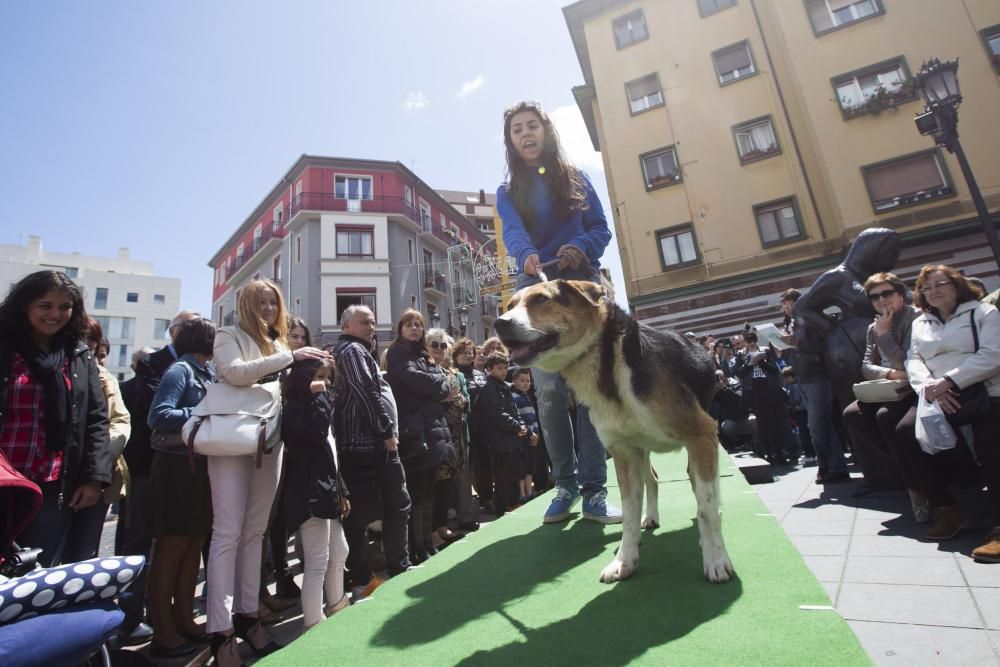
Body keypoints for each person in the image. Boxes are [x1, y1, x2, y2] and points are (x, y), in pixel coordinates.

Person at [497, 100, 621, 525]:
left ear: (546, 131)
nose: (526, 134)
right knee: (549, 392)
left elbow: (601, 229)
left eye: (533, 126)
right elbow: (513, 233)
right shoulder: (507, 192)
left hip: (581, 289)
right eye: (517, 129)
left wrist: (581, 248)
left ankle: (595, 491)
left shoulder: (579, 180)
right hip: (532, 288)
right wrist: (528, 255)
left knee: (590, 392)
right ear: (511, 140)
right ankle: (564, 486)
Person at [207, 279, 329, 666]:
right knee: (227, 531)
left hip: (268, 441)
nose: (267, 309)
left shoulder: (279, 345)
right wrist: (288, 358)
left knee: (255, 531)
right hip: (229, 440)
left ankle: (248, 616)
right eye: (259, 302)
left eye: (272, 303)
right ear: (245, 304)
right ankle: (220, 631)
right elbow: (234, 372)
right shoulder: (228, 334)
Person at [0, 270, 112, 567]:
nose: (55, 314)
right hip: (5, 478)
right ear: (25, 305)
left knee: (35, 572)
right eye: (45, 305)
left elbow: (96, 419)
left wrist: (93, 478)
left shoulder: (78, 354)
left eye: (65, 307)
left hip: (52, 483)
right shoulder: (4, 347)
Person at [895, 265, 1000, 561]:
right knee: (907, 431)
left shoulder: (982, 313)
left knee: (991, 440)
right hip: (936, 396)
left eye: (940, 283)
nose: (934, 291)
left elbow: (993, 354)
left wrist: (949, 382)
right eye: (927, 288)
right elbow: (913, 358)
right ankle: (952, 505)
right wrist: (928, 386)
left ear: (957, 285)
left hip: (982, 390)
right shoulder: (921, 322)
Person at [792, 229, 903, 487]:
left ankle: (898, 466)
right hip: (845, 354)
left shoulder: (872, 280)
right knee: (859, 410)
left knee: (886, 407)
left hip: (877, 351)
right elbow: (803, 306)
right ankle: (876, 470)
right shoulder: (838, 276)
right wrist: (828, 328)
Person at [115, 312, 197, 645]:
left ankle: (171, 613)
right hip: (148, 468)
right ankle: (130, 617)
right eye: (187, 327)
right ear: (174, 332)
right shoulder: (155, 364)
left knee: (182, 544)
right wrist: (206, 410)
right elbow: (157, 412)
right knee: (139, 542)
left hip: (189, 468)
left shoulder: (206, 365)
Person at [146, 318, 217, 658]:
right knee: (172, 547)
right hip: (176, 467)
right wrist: (203, 410)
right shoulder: (180, 371)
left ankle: (185, 620)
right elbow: (159, 416)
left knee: (193, 546)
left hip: (201, 467)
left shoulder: (208, 372)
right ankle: (163, 631)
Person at [333, 304, 410, 599]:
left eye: (373, 322)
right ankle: (365, 580)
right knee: (366, 514)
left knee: (380, 509)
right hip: (364, 446)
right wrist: (386, 430)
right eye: (364, 322)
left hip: (366, 445)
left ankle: (384, 571)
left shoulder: (359, 351)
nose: (371, 327)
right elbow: (367, 391)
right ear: (346, 327)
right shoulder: (352, 351)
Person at [842, 273, 923, 517]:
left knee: (886, 417)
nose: (881, 300)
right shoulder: (872, 327)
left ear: (900, 294)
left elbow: (908, 361)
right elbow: (866, 366)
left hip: (916, 389)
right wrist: (892, 374)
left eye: (887, 293)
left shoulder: (915, 318)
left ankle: (916, 487)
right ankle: (905, 465)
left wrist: (886, 334)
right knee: (852, 413)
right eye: (875, 296)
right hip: (891, 386)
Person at [280, 357, 351, 630]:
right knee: (317, 561)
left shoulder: (318, 406)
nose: (325, 381)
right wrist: (321, 398)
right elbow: (317, 435)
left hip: (327, 492)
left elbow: (330, 456)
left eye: (328, 376)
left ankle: (337, 605)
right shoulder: (295, 410)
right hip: (308, 495)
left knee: (339, 550)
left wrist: (341, 491)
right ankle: (313, 623)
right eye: (318, 375)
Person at [386, 309, 455, 564]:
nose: (414, 328)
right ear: (400, 328)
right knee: (416, 493)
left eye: (418, 324)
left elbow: (442, 381)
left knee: (428, 491)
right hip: (414, 432)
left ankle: (426, 542)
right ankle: (417, 547)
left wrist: (437, 384)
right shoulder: (397, 352)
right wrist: (437, 385)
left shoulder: (424, 355)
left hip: (431, 429)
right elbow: (415, 380)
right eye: (409, 324)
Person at [261, 317, 312, 613]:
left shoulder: (305, 371)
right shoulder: (271, 366)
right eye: (292, 335)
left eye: (302, 337)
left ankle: (283, 574)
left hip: (295, 451)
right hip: (269, 448)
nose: (297, 340)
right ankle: (270, 578)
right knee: (268, 518)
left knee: (283, 517)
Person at [473, 352, 535, 517]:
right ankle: (501, 510)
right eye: (499, 368)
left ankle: (511, 504)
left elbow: (514, 410)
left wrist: (521, 426)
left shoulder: (505, 387)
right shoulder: (489, 389)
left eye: (505, 367)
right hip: (499, 441)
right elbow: (497, 414)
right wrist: (517, 427)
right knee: (502, 479)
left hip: (511, 439)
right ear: (490, 369)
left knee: (513, 475)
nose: (503, 371)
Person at [426, 328, 468, 546]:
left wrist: (460, 400)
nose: (439, 349)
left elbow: (464, 401)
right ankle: (431, 530)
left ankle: (442, 526)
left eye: (443, 345)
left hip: (453, 435)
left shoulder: (452, 374)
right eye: (434, 345)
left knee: (446, 484)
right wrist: (444, 399)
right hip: (432, 435)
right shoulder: (423, 370)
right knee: (432, 486)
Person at [734, 328, 796, 465]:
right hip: (754, 391)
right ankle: (769, 454)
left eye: (753, 340)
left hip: (769, 388)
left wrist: (761, 361)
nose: (751, 343)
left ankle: (780, 453)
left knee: (776, 423)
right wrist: (750, 363)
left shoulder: (766, 351)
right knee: (762, 425)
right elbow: (739, 373)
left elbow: (775, 370)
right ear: (745, 342)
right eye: (748, 341)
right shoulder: (741, 355)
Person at [452, 337, 484, 531]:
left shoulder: (481, 375)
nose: (469, 355)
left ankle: (479, 502)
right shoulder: (455, 374)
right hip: (464, 427)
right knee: (464, 471)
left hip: (482, 428)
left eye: (471, 351)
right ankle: (463, 512)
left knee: (477, 468)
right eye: (464, 352)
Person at [511, 367, 542, 502]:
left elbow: (534, 419)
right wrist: (530, 434)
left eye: (528, 381)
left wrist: (536, 434)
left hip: (532, 438)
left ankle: (529, 492)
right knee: (522, 467)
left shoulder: (527, 397)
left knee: (530, 466)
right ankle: (522, 493)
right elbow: (519, 419)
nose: (526, 383)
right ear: (514, 382)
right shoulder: (514, 397)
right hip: (523, 438)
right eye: (522, 380)